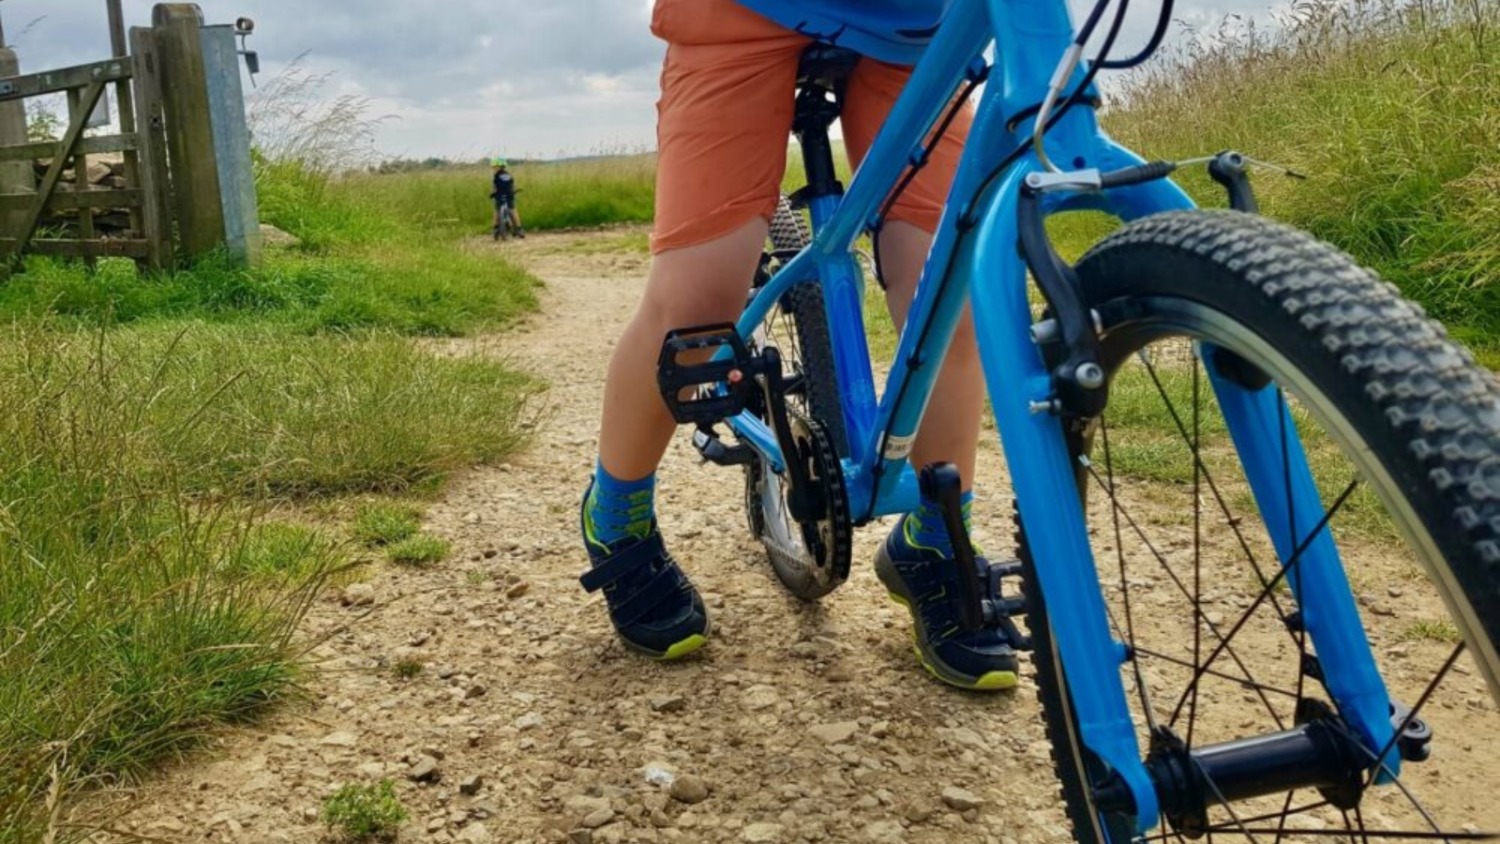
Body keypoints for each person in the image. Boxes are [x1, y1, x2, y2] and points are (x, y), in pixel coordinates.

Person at [578, 0, 1021, 691]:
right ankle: (617, 519)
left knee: (951, 292)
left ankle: (937, 537)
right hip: (744, 10)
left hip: (912, 25)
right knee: (697, 304)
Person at [489, 158, 525, 238]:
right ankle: (519, 229)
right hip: (509, 195)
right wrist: (514, 191)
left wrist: (493, 193)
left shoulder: (496, 176)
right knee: (512, 210)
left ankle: (496, 227)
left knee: (497, 210)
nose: (493, 169)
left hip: (499, 195)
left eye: (494, 167)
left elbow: (495, 186)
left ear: (499, 167)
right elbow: (512, 185)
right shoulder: (509, 175)